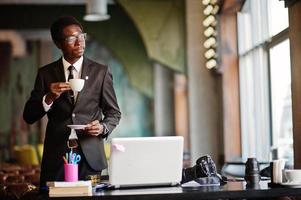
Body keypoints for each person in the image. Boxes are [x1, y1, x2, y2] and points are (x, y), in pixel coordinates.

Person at [23, 16, 121, 188]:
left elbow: (114, 113)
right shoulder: (45, 74)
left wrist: (102, 128)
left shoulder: (101, 72)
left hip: (90, 158)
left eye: (81, 36)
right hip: (56, 157)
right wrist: (49, 97)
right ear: (58, 44)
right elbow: (29, 116)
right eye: (71, 38)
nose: (79, 42)